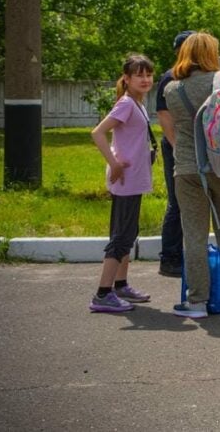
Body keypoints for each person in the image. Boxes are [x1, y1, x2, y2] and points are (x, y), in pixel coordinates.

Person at [160, 32, 220, 319]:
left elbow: (176, 128)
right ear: (211, 53)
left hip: (188, 167)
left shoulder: (171, 89)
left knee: (194, 234)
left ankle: (197, 302)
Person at [88, 54, 157, 312]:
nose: (145, 79)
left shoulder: (137, 103)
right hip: (127, 179)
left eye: (148, 75)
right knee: (121, 236)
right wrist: (115, 163)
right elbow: (97, 132)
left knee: (129, 233)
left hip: (136, 178)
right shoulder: (127, 104)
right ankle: (103, 294)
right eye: (139, 75)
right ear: (126, 79)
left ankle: (121, 285)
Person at [154, 30, 193, 277]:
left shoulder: (191, 76)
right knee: (177, 202)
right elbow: (165, 118)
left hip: (191, 147)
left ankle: (184, 254)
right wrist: (178, 148)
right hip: (177, 148)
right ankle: (169, 258)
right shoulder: (171, 77)